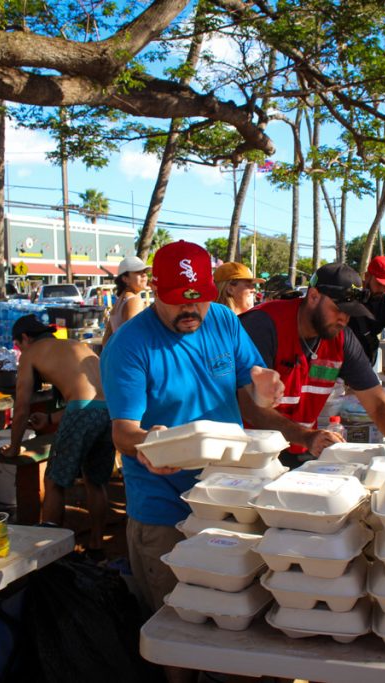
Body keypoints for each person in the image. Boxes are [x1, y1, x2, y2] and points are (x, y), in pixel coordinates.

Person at [99, 241, 283, 680]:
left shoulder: (221, 318)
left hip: (228, 500)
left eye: (197, 297)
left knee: (237, 616)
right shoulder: (129, 345)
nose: (190, 309)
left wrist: (261, 382)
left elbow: (250, 377)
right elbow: (122, 432)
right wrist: (149, 442)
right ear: (155, 290)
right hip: (163, 507)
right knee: (177, 630)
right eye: (177, 299)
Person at [241, 262, 385, 467]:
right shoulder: (264, 325)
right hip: (251, 455)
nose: (344, 319)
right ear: (313, 296)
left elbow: (378, 404)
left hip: (301, 449)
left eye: (350, 313)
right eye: (338, 309)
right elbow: (248, 406)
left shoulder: (342, 338)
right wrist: (306, 436)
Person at [4, 315, 113, 556]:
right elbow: (89, 399)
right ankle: (97, 545)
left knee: (54, 481)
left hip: (82, 413)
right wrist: (51, 419)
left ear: (24, 338)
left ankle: (50, 551)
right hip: (110, 411)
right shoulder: (76, 344)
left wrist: (14, 446)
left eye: (17, 345)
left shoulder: (31, 353)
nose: (19, 350)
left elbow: (21, 408)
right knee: (95, 481)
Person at [346, 255, 385, 368]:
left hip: (365, 362)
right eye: (379, 284)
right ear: (367, 276)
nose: (383, 290)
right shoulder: (347, 300)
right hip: (338, 360)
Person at [102, 255, 150, 346]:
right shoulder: (134, 301)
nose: (144, 275)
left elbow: (106, 340)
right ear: (125, 279)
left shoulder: (119, 301)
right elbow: (133, 339)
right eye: (138, 272)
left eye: (144, 271)